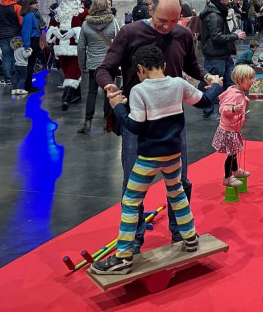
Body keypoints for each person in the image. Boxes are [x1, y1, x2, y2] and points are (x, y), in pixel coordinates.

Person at [95, 0, 220, 248]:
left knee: (180, 181)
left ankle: (181, 234)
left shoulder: (183, 34)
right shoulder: (130, 33)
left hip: (172, 118)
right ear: (151, 9)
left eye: (175, 21)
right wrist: (110, 89)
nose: (167, 27)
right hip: (138, 116)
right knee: (132, 184)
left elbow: (192, 66)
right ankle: (133, 241)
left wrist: (207, 77)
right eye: (163, 20)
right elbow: (103, 69)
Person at [89, 45, 218, 276]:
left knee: (131, 202)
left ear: (140, 69)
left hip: (149, 157)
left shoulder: (139, 90)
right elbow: (206, 101)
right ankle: (190, 238)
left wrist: (118, 107)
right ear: (164, 65)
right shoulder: (178, 84)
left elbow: (135, 126)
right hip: (173, 154)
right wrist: (216, 84)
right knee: (176, 193)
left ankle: (123, 256)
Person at [199, 0, 246, 118]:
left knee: (229, 84)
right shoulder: (214, 15)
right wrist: (235, 36)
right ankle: (208, 112)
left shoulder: (218, 12)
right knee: (214, 85)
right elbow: (216, 37)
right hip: (215, 55)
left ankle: (229, 109)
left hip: (223, 54)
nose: (230, 1)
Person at [76, 0, 117, 134]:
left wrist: (82, 65)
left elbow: (81, 47)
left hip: (93, 64)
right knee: (108, 92)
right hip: (109, 64)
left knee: (92, 92)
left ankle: (87, 121)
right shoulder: (114, 22)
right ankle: (107, 121)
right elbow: (119, 43)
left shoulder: (86, 24)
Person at [212, 64, 255, 188]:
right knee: (231, 154)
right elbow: (223, 109)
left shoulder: (238, 92)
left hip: (233, 129)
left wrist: (243, 100)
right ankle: (227, 177)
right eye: (249, 78)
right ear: (240, 79)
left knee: (234, 151)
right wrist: (233, 108)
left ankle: (235, 171)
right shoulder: (234, 94)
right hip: (228, 130)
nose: (252, 81)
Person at [47, 0, 88, 109]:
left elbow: (88, 29)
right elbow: (52, 26)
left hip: (76, 47)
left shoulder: (83, 12)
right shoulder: (59, 12)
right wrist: (55, 31)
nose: (69, 0)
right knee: (67, 72)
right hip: (60, 47)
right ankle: (77, 95)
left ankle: (66, 98)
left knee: (73, 73)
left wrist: (75, 31)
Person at [0, 0, 23, 85]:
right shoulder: (17, 7)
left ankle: (7, 79)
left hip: (1, 36)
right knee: (16, 56)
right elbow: (21, 22)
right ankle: (15, 76)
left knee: (5, 57)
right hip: (15, 36)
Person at [19, 0, 42, 92]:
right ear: (30, 5)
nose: (37, 4)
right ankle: (28, 85)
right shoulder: (29, 16)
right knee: (30, 65)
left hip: (34, 41)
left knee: (31, 65)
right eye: (35, 3)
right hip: (32, 42)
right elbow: (26, 32)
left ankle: (28, 84)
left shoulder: (32, 15)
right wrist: (27, 46)